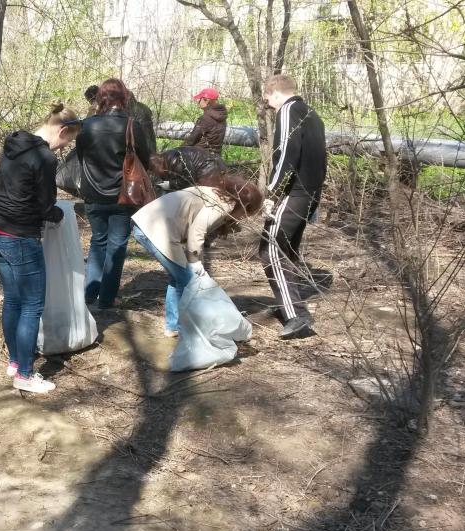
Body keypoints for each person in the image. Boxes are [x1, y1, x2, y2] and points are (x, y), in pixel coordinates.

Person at [0, 103, 81, 394]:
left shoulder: (14, 144)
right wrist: (60, 214)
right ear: (62, 131)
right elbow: (44, 205)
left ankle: (15, 361)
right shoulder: (43, 157)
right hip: (20, 238)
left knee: (14, 300)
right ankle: (26, 375)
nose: (64, 148)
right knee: (31, 305)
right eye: (67, 142)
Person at [131, 174, 262, 336]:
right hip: (155, 229)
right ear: (244, 204)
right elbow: (197, 232)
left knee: (178, 278)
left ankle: (174, 326)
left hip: (148, 224)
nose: (243, 218)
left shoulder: (217, 195)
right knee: (189, 282)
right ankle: (191, 326)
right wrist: (195, 262)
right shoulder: (223, 204)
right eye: (246, 214)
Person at [259, 74, 327, 339]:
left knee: (271, 249)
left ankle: (296, 317)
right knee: (286, 251)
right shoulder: (312, 113)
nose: (267, 103)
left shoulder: (288, 111)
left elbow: (286, 155)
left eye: (267, 97)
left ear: (275, 92)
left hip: (294, 193)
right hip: (309, 192)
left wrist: (272, 193)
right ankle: (290, 306)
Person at [76, 78, 151, 309]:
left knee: (98, 241)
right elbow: (145, 160)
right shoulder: (131, 125)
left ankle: (90, 294)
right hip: (122, 196)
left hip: (92, 194)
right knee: (116, 246)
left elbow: (80, 156)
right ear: (124, 98)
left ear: (100, 98)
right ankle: (107, 299)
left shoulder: (87, 125)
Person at [149, 145, 227, 192]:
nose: (154, 174)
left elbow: (188, 180)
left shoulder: (174, 160)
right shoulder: (167, 159)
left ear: (157, 164)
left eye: (152, 170)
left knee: (206, 196)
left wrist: (168, 185)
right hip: (210, 167)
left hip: (209, 170)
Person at [182, 88, 228, 156]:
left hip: (200, 156)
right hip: (216, 156)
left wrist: (177, 150)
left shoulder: (205, 118)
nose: (198, 101)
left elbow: (191, 141)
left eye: (200, 99)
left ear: (206, 100)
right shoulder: (222, 116)